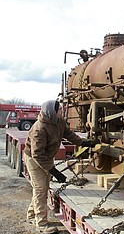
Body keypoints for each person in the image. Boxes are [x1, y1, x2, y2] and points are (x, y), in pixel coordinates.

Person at [24, 100, 96, 234]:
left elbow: (69, 135)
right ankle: (42, 224)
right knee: (40, 188)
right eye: (60, 110)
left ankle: (32, 214)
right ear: (52, 112)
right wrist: (54, 171)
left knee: (43, 187)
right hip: (34, 159)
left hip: (46, 157)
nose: (62, 111)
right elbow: (37, 154)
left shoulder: (59, 122)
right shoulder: (39, 128)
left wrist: (85, 143)